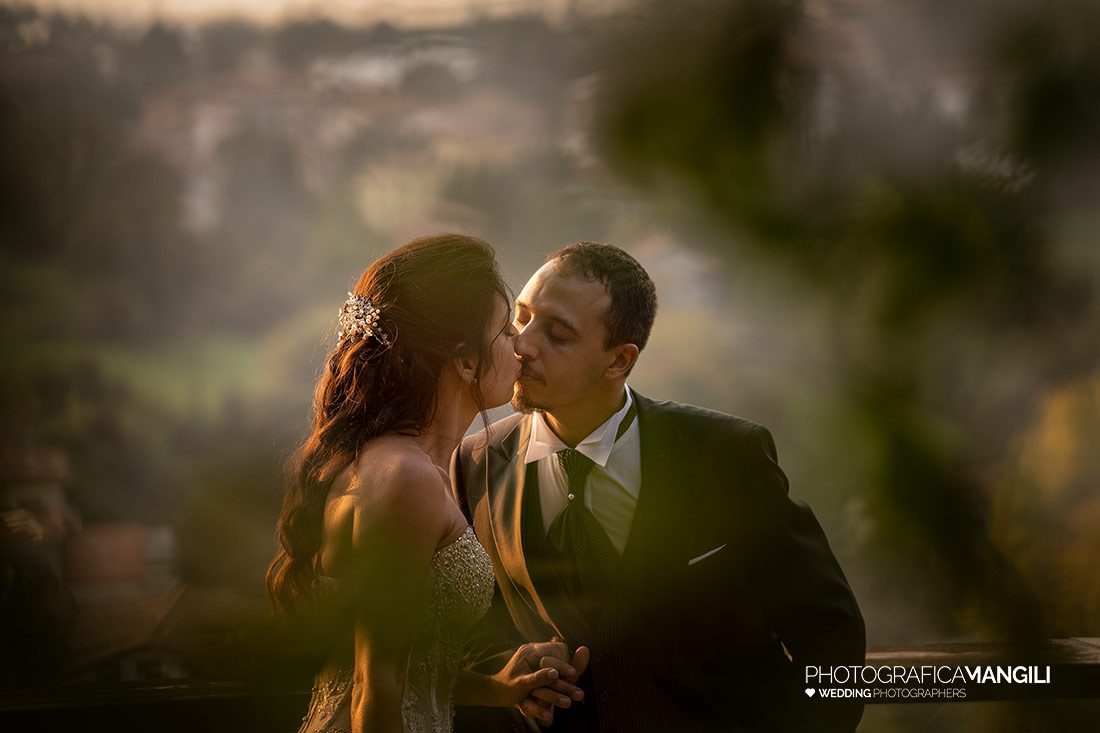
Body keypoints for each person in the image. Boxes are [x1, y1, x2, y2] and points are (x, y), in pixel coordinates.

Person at [452, 242, 866, 732]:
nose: (523, 345)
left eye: (557, 335)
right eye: (521, 318)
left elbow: (829, 632)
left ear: (618, 361)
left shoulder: (728, 455)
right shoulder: (475, 460)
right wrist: (508, 668)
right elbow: (473, 627)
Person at [267, 234, 579, 733]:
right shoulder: (404, 477)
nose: (520, 346)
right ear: (466, 361)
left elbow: (407, 668)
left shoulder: (413, 466)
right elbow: (375, 684)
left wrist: (499, 686)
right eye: (504, 331)